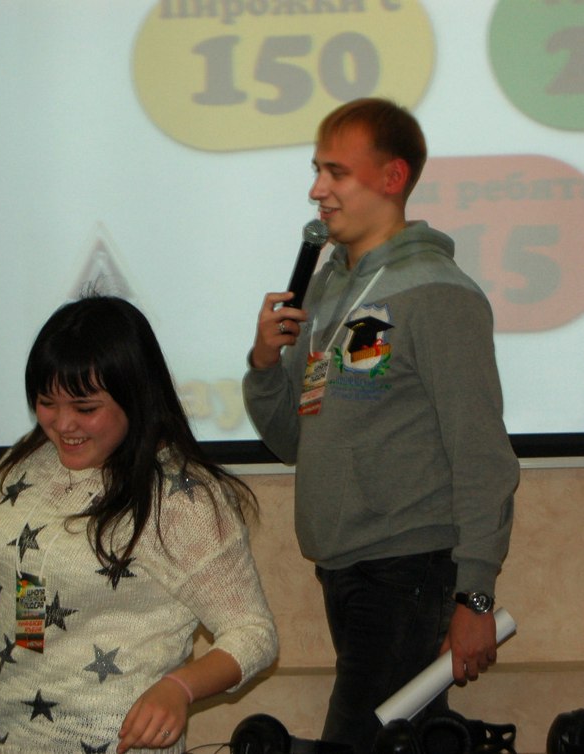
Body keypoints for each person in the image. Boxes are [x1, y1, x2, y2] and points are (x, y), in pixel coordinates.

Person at [0, 295, 278, 754]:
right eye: (46, 403)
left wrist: (180, 688)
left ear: (135, 397)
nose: (62, 424)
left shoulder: (180, 499)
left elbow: (252, 633)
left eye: (85, 407)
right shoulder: (27, 464)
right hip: (8, 739)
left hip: (116, 744)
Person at [243, 98, 519, 753]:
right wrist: (263, 365)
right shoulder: (329, 293)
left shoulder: (435, 292)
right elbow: (292, 441)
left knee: (356, 743)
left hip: (407, 570)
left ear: (392, 178)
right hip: (346, 569)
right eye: (316, 170)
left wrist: (475, 598)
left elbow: (482, 456)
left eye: (336, 173)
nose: (317, 190)